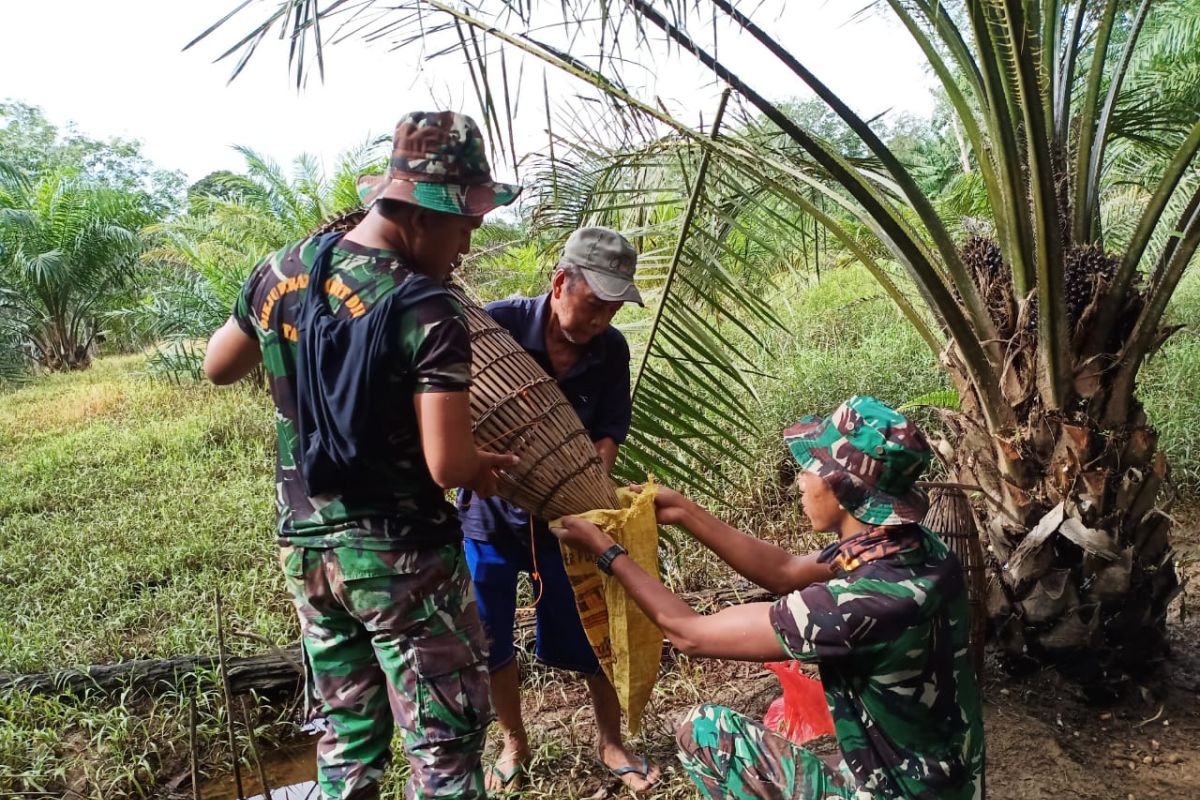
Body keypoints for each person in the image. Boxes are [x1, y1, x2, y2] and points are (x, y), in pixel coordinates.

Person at [203, 111, 520, 800]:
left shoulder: (283, 268)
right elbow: (446, 464)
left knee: (347, 740)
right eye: (465, 224)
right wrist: (483, 468)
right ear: (420, 214)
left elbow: (218, 365)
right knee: (442, 744)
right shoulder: (426, 307)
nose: (467, 244)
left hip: (308, 551)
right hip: (402, 559)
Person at [552, 396, 986, 800]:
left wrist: (608, 553)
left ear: (842, 489)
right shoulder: (915, 548)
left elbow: (688, 634)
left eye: (811, 467)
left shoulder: (855, 605)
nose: (801, 480)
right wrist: (686, 512)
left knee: (706, 732)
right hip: (950, 778)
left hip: (900, 792)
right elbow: (785, 572)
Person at [455, 227, 662, 792]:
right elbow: (447, 413)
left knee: (592, 631)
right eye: (595, 305)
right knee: (491, 636)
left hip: (568, 525)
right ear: (559, 282)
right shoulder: (495, 328)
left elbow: (611, 425)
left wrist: (597, 461)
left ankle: (611, 740)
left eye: (613, 310)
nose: (601, 321)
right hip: (489, 520)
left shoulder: (610, 349)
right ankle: (513, 741)